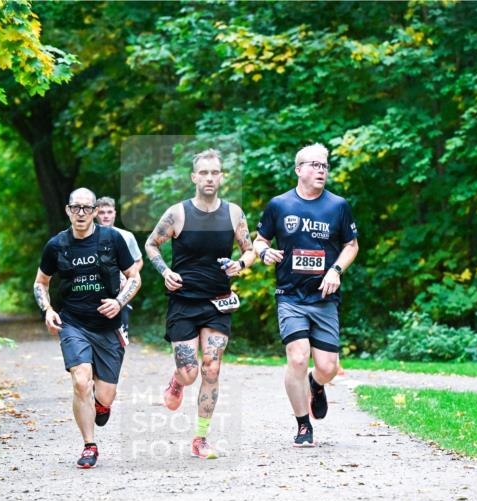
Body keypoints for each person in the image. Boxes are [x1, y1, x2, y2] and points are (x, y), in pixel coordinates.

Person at [144, 149, 256, 460]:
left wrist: (240, 265)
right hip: (183, 301)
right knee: (190, 372)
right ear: (194, 177)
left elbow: (249, 250)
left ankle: (201, 438)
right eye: (203, 173)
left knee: (212, 367)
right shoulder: (178, 213)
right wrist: (165, 271)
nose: (209, 178)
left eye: (214, 172)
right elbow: (151, 243)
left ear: (221, 177)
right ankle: (177, 381)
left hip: (218, 302)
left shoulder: (234, 213)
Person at [253, 143, 359, 446]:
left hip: (324, 298)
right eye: (314, 165)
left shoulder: (338, 206)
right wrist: (263, 252)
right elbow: (259, 240)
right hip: (290, 296)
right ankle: (303, 425)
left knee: (328, 367)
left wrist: (335, 271)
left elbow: (351, 245)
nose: (321, 170)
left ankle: (316, 383)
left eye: (325, 166)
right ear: (299, 169)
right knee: (298, 359)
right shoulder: (279, 205)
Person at [33, 188, 142, 469]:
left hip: (108, 326)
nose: (81, 213)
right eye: (75, 208)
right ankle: (89, 446)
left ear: (95, 211)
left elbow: (134, 278)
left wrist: (119, 302)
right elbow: (41, 282)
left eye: (86, 208)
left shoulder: (112, 239)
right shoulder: (56, 245)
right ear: (68, 211)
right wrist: (48, 309)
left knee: (104, 396)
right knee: (81, 381)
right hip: (73, 323)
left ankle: (102, 405)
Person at [95, 196, 144, 342]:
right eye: (102, 212)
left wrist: (128, 278)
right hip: (96, 290)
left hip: (121, 292)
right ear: (96, 213)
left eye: (109, 212)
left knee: (120, 336)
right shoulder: (88, 236)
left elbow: (138, 261)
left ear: (115, 213)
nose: (106, 216)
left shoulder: (126, 236)